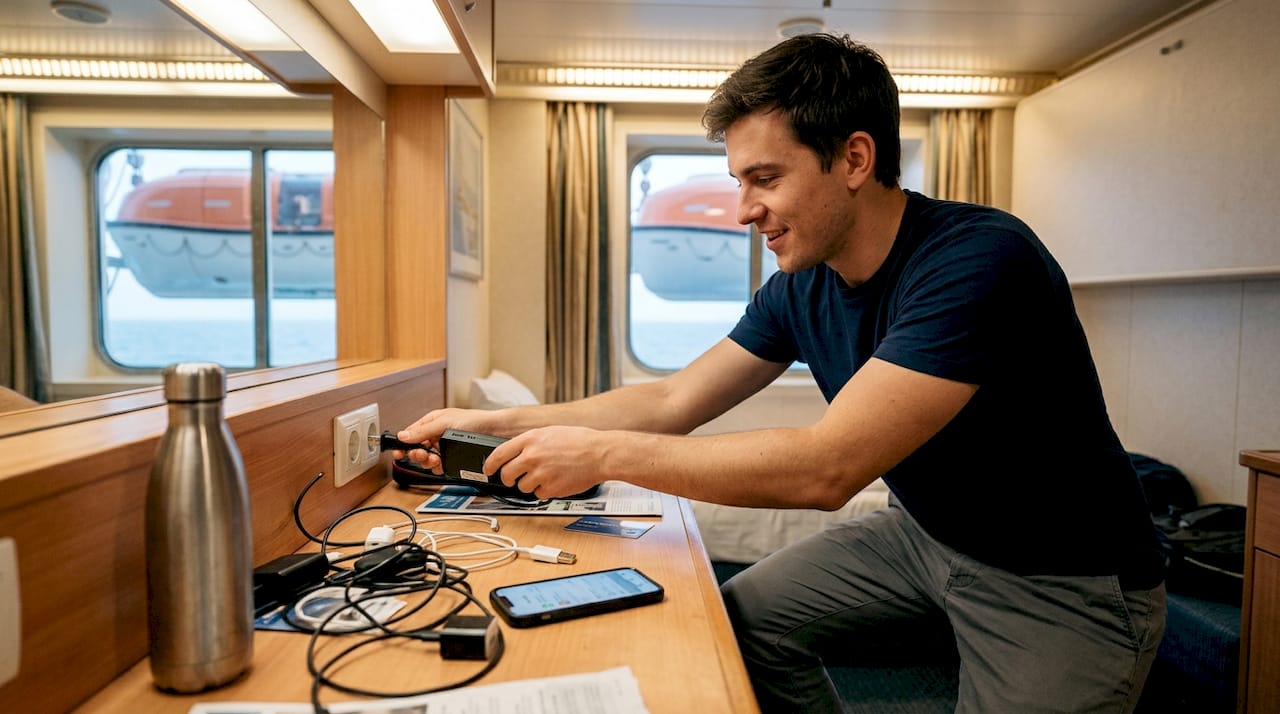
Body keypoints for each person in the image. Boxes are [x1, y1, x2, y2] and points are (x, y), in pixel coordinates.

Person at [398, 33, 1166, 713]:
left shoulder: (980, 260)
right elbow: (670, 399)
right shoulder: (802, 284)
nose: (743, 210)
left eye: (764, 178)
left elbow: (827, 469)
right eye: (738, 181)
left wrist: (600, 454)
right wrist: (492, 424)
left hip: (1065, 576)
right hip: (928, 534)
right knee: (745, 621)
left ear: (855, 159)